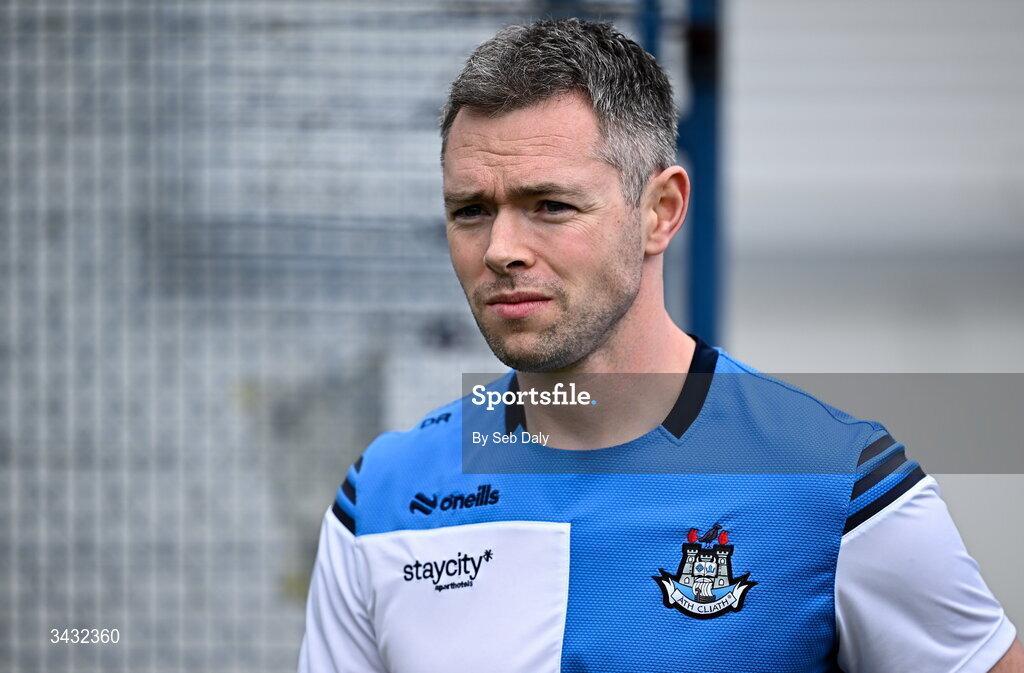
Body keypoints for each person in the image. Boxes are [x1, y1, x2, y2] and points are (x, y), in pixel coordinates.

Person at [298, 18, 1023, 673]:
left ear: (661, 212)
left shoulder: (839, 485)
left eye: (549, 205)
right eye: (471, 210)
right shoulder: (384, 498)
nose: (501, 249)